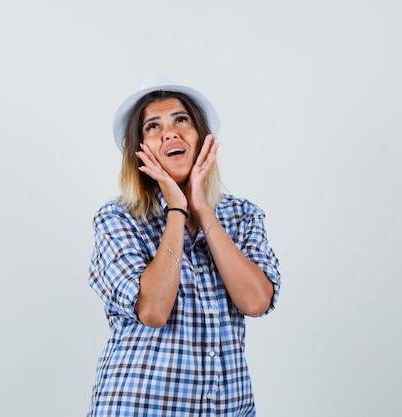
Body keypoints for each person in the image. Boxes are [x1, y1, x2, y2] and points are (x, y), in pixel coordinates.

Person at [87, 75, 281, 416]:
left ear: (202, 137)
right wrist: (176, 209)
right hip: (140, 406)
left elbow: (255, 301)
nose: (169, 132)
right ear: (140, 151)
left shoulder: (242, 215)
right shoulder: (118, 219)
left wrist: (203, 209)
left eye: (181, 120)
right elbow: (153, 311)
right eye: (153, 126)